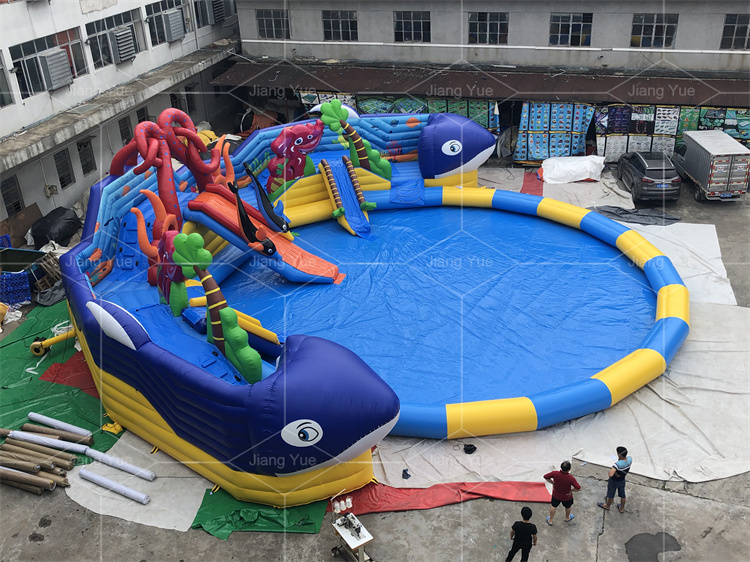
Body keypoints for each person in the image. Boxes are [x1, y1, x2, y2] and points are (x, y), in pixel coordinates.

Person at [543, 460, 581, 525]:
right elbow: (578, 488)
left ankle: (550, 520)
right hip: (567, 496)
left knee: (553, 506)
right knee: (568, 507)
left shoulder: (555, 473)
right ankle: (567, 517)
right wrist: (571, 490)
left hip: (556, 495)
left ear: (561, 467)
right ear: (569, 469)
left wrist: (553, 483)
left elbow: (545, 476)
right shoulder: (570, 478)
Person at [598, 446, 632, 514]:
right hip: (622, 480)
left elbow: (610, 474)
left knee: (611, 495)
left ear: (619, 454)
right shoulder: (630, 459)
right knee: (622, 495)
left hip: (614, 481)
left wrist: (613, 471)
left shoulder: (617, 464)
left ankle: (607, 506)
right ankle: (621, 508)